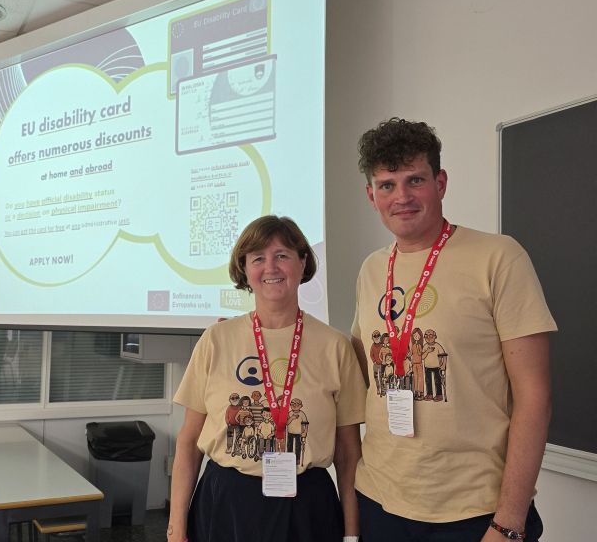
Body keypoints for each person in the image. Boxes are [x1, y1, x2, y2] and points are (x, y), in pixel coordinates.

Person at [350, 118, 556, 542]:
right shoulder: (372, 268)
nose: (401, 197)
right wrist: (259, 331)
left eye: (415, 180)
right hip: (380, 501)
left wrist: (509, 523)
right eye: (387, 185)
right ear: (371, 196)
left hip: (474, 511)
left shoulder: (498, 258)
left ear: (440, 183)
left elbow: (534, 397)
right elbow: (356, 369)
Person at [169, 215, 366, 542]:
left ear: (303, 263)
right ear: (245, 269)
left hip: (307, 507)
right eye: (258, 258)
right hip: (227, 504)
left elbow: (348, 453)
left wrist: (351, 533)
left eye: (282, 255)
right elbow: (189, 442)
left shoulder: (335, 346)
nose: (270, 267)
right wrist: (176, 528)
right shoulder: (216, 339)